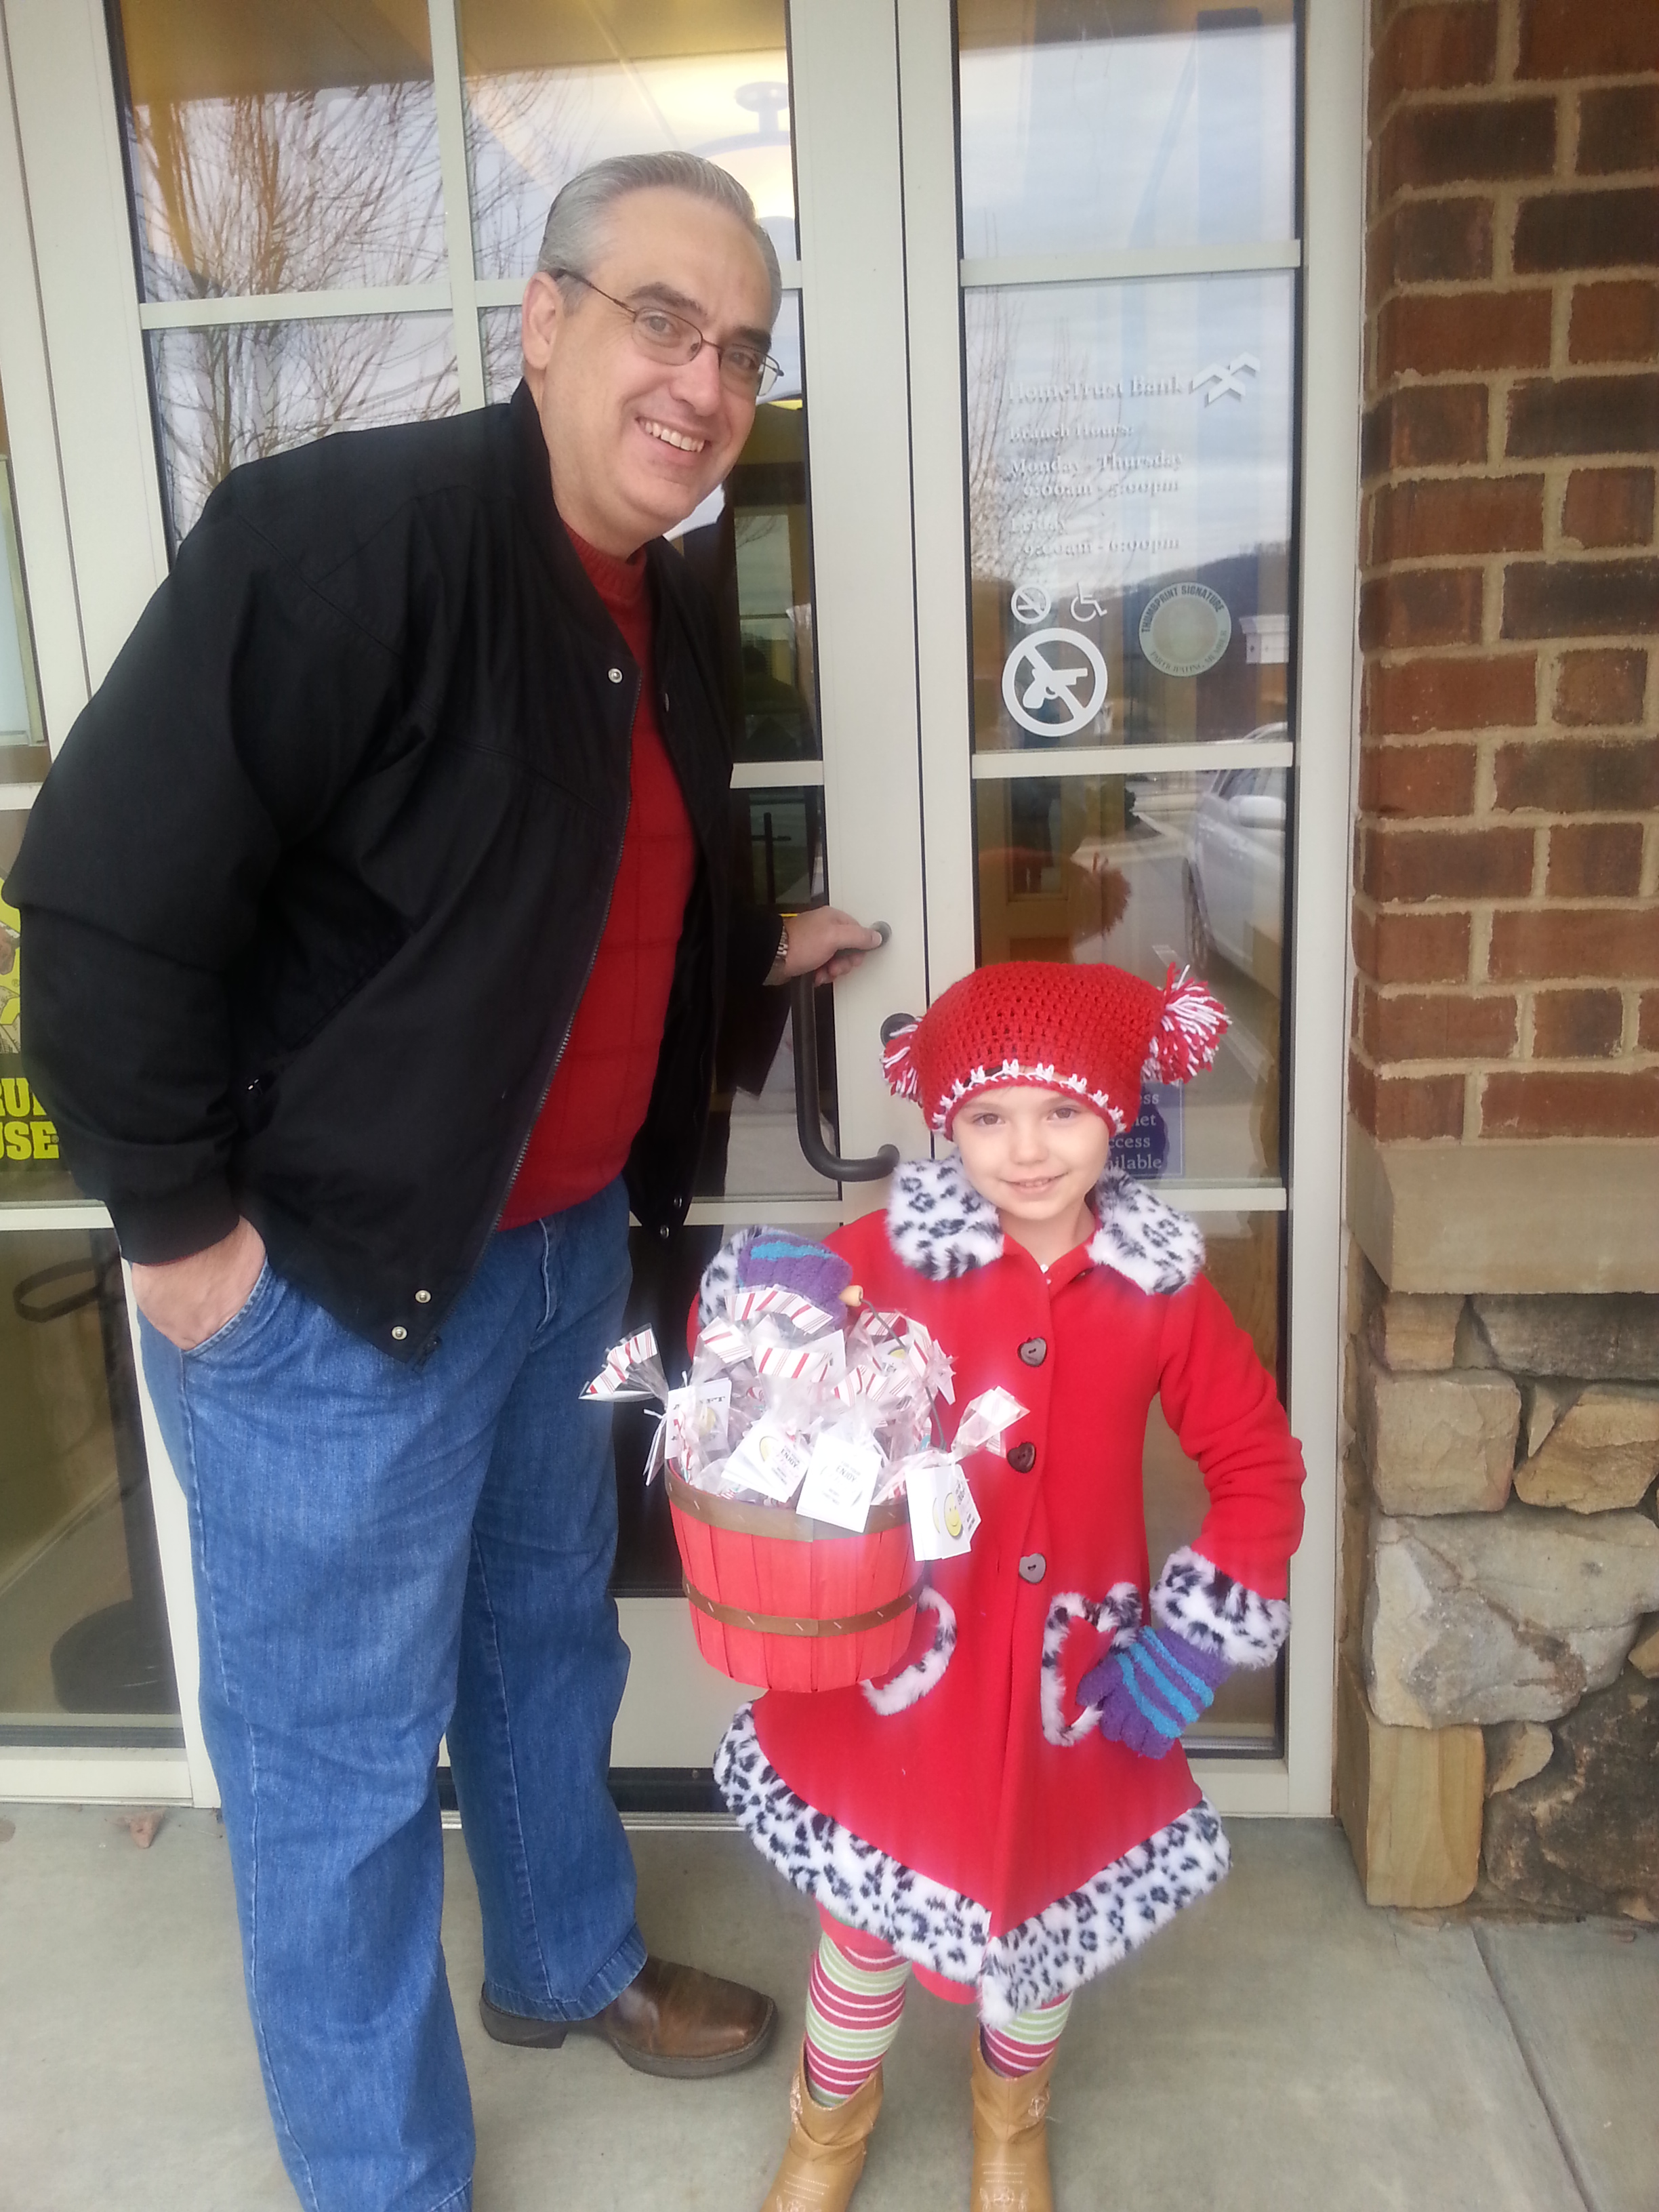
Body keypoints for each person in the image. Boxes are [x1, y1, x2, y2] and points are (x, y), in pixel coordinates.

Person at [9, 152, 882, 2212]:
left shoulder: (664, 604)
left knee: (547, 1637)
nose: (702, 381)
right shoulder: (344, 543)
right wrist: (180, 1236)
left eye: (741, 349)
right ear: (545, 320)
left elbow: (561, 899)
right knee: (338, 1773)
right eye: (661, 319)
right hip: (328, 1289)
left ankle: (564, 1962)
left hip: (557, 1251)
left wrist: (757, 957)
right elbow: (103, 909)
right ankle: (383, 2178)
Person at [702, 961, 1307, 2212]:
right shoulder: (889, 1254)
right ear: (949, 1123)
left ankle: (1009, 2118)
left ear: (1117, 1113)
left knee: (1042, 1933)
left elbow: (1258, 1463)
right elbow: (777, 1338)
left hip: (1065, 1688)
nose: (1027, 1151)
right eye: (989, 1117)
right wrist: (768, 1307)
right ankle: (829, 2126)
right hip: (910, 1670)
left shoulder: (1162, 1290)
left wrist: (1194, 1637)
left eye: (1062, 1113)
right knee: (864, 1928)